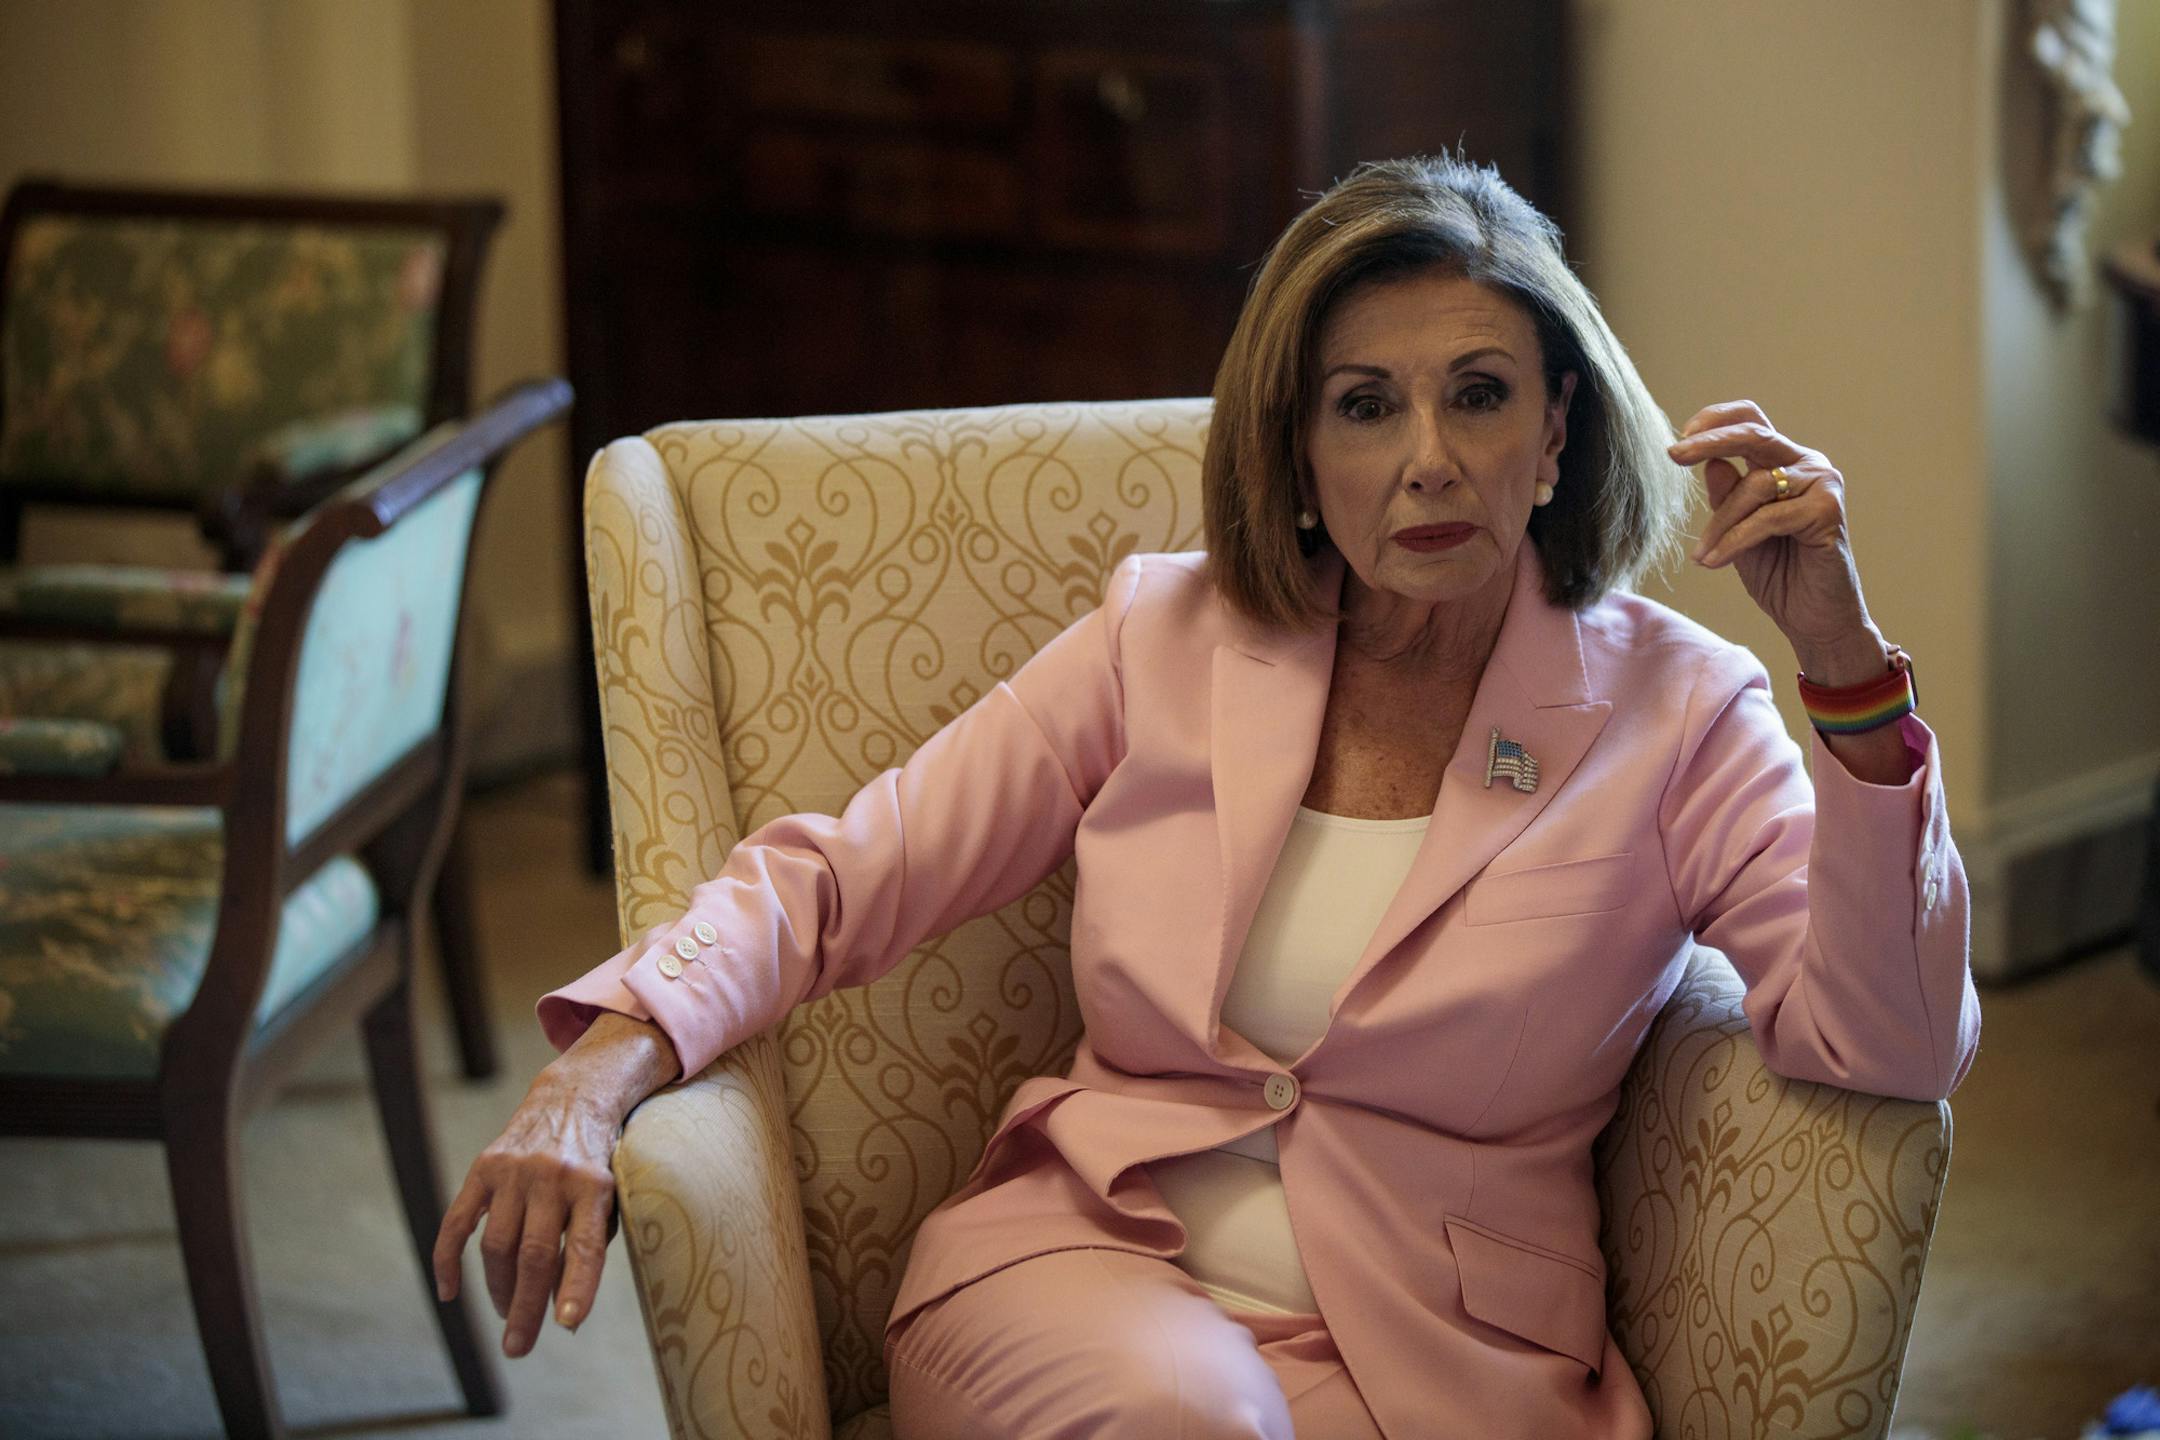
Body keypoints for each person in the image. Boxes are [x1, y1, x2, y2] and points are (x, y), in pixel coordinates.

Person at [434, 154, 1981, 1439]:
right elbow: (848, 876)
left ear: (1559, 430)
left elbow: (1891, 1043)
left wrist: (1842, 666)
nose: (1429, 460)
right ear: (1298, 453)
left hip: (1455, 1367)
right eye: (1365, 405)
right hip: (1089, 1283)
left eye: (1481, 395)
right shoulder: (1163, 636)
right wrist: (599, 1070)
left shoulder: (1680, 709)